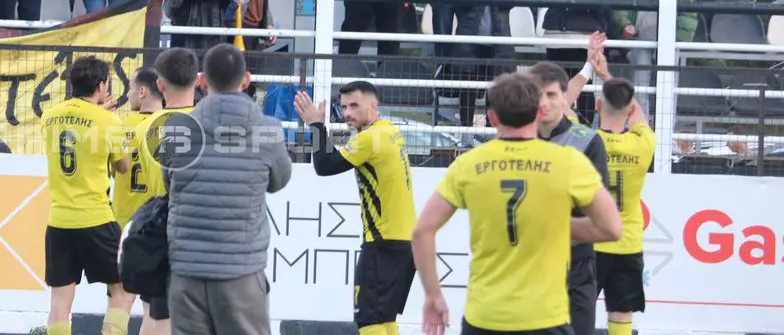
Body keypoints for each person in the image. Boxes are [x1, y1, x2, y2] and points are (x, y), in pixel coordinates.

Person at [411, 72, 621, 335]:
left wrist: (433, 295)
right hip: (545, 319)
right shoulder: (568, 161)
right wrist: (555, 224)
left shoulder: (468, 164)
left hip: (485, 317)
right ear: (538, 113)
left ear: (492, 118)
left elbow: (422, 231)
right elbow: (611, 228)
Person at [165, 44, 291, 335]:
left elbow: (170, 183)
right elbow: (279, 181)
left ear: (201, 81)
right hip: (241, 269)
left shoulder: (177, 128)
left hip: (186, 269)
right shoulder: (268, 129)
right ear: (246, 80)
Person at [294, 82, 415, 335]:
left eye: (354, 106)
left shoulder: (369, 139)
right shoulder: (390, 131)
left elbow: (324, 166)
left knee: (369, 322)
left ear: (373, 106)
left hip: (382, 243)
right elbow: (337, 158)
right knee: (385, 319)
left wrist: (315, 125)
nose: (347, 113)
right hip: (405, 244)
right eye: (344, 107)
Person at [41, 56, 134, 335]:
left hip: (59, 220)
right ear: (102, 85)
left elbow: (76, 129)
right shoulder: (109, 121)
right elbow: (123, 167)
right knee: (122, 287)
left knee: (59, 302)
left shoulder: (50, 116)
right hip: (95, 217)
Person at [530, 61, 611, 335]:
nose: (544, 102)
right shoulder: (513, 141)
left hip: (576, 265)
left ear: (566, 97)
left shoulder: (587, 142)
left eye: (551, 94)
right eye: (537, 94)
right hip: (525, 265)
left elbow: (599, 215)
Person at [126, 49, 200, 335]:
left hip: (158, 227)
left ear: (159, 85)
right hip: (197, 229)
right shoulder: (207, 125)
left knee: (153, 311)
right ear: (197, 80)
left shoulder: (146, 127)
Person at [588, 73, 656, 335]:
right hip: (627, 241)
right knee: (622, 310)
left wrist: (592, 69)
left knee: (578, 308)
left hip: (591, 241)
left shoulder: (587, 141)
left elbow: (561, 110)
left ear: (598, 106)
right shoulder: (644, 143)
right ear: (630, 110)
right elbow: (639, 116)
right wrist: (607, 75)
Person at [539, 0, 613, 123]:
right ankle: (558, 124)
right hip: (556, 38)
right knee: (557, 86)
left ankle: (585, 129)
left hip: (582, 40)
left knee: (583, 88)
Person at [446, 0, 518, 127]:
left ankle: (491, 131)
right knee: (467, 92)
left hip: (498, 45)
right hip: (470, 45)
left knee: (495, 93)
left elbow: (510, 2)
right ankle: (465, 131)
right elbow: (461, 2)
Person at [112, 68, 163, 231]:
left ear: (142, 92)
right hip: (157, 218)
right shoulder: (170, 126)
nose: (128, 94)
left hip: (124, 220)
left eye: (130, 88)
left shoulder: (120, 126)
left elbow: (114, 171)